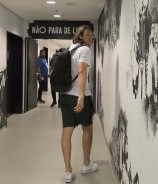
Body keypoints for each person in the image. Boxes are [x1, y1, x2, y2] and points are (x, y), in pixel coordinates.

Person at [60, 25, 97, 183]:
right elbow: (82, 72)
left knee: (66, 131)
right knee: (87, 129)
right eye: (87, 34)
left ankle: (68, 171)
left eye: (91, 34)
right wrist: (81, 96)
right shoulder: (85, 50)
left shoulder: (70, 49)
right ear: (81, 36)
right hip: (79, 96)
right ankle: (86, 164)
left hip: (65, 96)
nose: (91, 37)